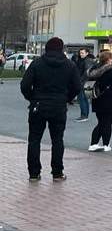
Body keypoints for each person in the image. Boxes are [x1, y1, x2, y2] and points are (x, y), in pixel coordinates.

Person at [21, 37, 80, 182]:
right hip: (59, 106)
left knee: (34, 139)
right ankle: (57, 172)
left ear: (46, 48)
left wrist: (32, 98)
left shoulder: (37, 63)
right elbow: (77, 87)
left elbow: (24, 85)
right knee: (57, 139)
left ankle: (34, 173)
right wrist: (66, 98)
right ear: (61, 49)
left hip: (38, 105)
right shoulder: (69, 65)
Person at [87, 50, 112, 152]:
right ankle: (105, 144)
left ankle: (94, 143)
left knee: (102, 122)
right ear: (109, 59)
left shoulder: (94, 70)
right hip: (111, 100)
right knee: (107, 122)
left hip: (97, 98)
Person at [73, 49, 96, 122]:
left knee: (82, 99)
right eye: (80, 53)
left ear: (87, 53)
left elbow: (86, 72)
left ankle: (84, 115)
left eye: (83, 53)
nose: (81, 54)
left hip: (84, 83)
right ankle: (85, 115)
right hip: (84, 82)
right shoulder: (83, 60)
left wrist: (80, 81)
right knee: (84, 99)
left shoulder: (87, 61)